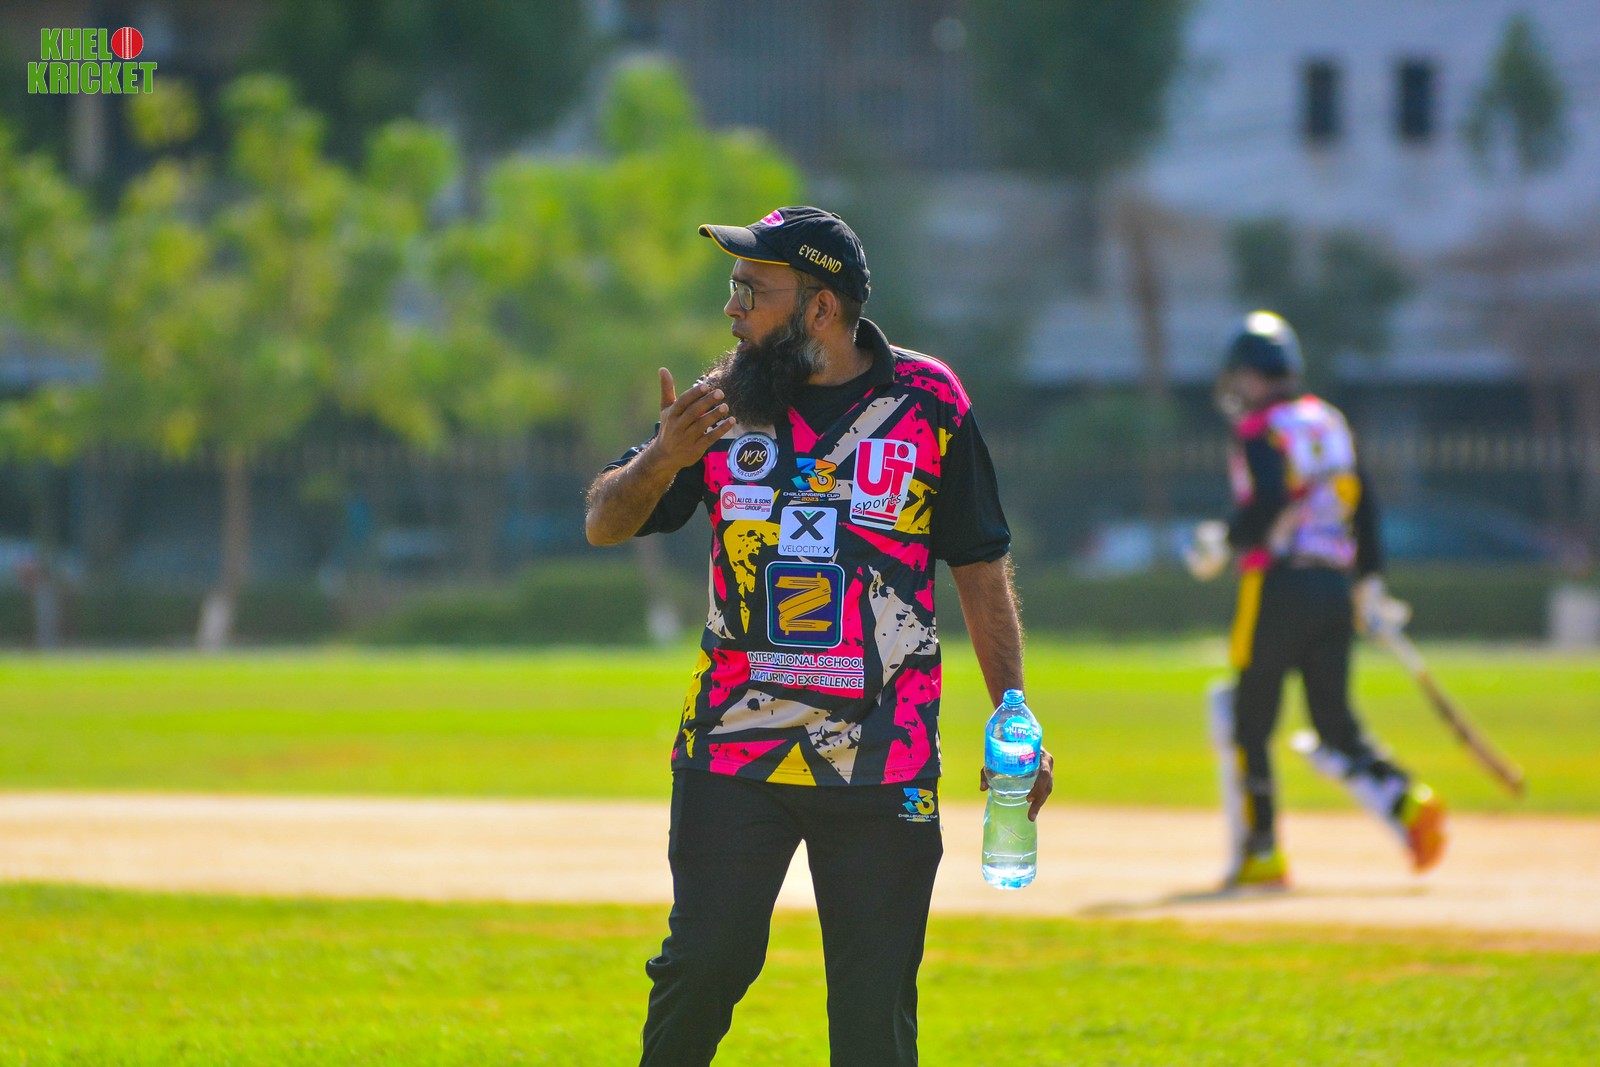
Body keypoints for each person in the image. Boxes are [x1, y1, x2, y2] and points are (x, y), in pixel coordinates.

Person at [584, 205, 1053, 1066]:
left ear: (821, 308)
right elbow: (604, 523)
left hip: (884, 762)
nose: (731, 309)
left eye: (752, 291)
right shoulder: (718, 408)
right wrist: (662, 458)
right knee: (703, 968)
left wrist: (1012, 710)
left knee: (874, 1020)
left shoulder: (930, 404)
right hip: (734, 753)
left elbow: (980, 567)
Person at [1184, 310, 1446, 890]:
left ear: (1250, 373)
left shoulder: (1261, 428)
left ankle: (1262, 852)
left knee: (1248, 721)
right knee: (1333, 722)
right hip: (1334, 587)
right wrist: (1370, 582)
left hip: (1276, 585)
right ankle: (1407, 801)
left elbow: (1269, 501)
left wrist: (1225, 540)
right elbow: (1366, 506)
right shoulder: (1329, 420)